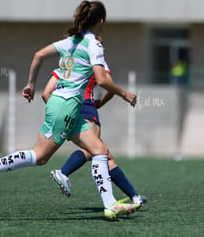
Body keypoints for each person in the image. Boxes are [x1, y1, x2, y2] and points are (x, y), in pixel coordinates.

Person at [0, 0, 141, 220]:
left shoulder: (69, 42)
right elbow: (102, 80)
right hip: (67, 106)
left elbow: (39, 55)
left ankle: (110, 205)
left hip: (64, 105)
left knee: (99, 151)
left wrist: (31, 83)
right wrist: (125, 94)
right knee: (39, 156)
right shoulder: (93, 45)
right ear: (101, 22)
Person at [43, 40, 146, 206]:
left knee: (105, 154)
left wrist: (58, 112)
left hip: (68, 107)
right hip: (87, 107)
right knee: (93, 150)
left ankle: (135, 196)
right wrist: (103, 101)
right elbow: (108, 85)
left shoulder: (67, 62)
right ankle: (63, 173)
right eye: (100, 43)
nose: (102, 47)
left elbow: (46, 93)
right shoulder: (97, 58)